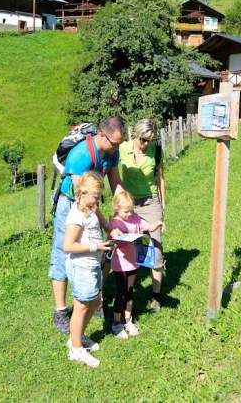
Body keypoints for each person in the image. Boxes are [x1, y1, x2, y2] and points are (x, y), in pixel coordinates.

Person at [49, 115, 125, 334]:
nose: (116, 148)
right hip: (71, 205)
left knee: (95, 253)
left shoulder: (112, 151)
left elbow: (116, 182)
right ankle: (61, 311)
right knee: (64, 254)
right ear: (102, 135)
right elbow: (82, 200)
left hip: (92, 205)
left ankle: (94, 300)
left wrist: (123, 210)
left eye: (119, 144)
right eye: (114, 143)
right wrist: (105, 223)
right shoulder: (81, 155)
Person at [63, 172, 111, 368]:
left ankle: (77, 336)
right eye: (96, 196)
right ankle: (76, 350)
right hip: (81, 267)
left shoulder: (90, 209)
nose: (97, 200)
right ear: (82, 192)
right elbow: (68, 245)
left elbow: (99, 223)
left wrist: (109, 230)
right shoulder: (76, 216)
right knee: (81, 307)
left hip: (92, 265)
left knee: (95, 301)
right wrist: (96, 247)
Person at [119, 119, 166, 311]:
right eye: (143, 140)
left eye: (150, 140)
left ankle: (155, 295)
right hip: (129, 205)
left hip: (150, 202)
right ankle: (126, 292)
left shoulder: (155, 150)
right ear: (135, 135)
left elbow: (161, 178)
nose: (146, 144)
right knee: (128, 248)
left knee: (156, 247)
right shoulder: (122, 149)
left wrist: (163, 206)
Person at [108, 191, 163, 338]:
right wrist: (118, 237)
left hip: (133, 263)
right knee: (120, 293)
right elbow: (112, 241)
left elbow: (147, 227)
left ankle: (128, 320)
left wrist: (156, 224)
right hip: (120, 264)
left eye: (131, 210)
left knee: (130, 291)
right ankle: (116, 323)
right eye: (126, 211)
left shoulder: (134, 218)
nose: (129, 214)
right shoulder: (114, 223)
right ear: (116, 208)